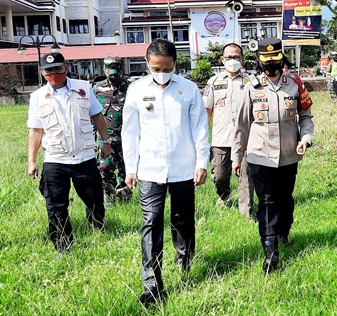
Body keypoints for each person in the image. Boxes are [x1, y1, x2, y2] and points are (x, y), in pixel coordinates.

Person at [121, 39, 209, 304]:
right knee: (151, 222)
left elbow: (200, 128)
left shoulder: (189, 89)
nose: (161, 73)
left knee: (182, 219)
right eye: (156, 68)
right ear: (147, 64)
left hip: (184, 167)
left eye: (167, 68)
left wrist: (202, 162)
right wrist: (130, 168)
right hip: (150, 168)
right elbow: (129, 132)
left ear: (175, 65)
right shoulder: (136, 90)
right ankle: (152, 283)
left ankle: (184, 260)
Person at [232, 38, 315, 274]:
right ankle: (270, 250)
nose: (270, 65)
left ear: (282, 59)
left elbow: (306, 118)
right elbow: (242, 125)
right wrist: (236, 157)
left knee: (285, 199)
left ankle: (283, 233)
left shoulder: (295, 84)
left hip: (288, 155)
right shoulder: (251, 87)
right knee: (267, 201)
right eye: (266, 61)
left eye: (275, 60)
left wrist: (305, 139)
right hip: (260, 155)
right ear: (259, 61)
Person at [27, 52, 110, 253]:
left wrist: (106, 141)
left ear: (65, 67)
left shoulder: (83, 88)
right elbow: (36, 130)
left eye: (57, 69)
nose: (54, 74)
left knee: (94, 199)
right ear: (42, 72)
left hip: (84, 156)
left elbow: (97, 116)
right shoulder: (37, 97)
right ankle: (63, 246)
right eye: (49, 71)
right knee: (55, 205)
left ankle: (98, 227)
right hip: (55, 158)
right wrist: (31, 160)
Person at [204, 43, 256, 217]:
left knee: (246, 177)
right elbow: (207, 110)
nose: (233, 60)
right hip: (221, 138)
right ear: (222, 59)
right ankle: (224, 195)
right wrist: (203, 136)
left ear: (242, 59)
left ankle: (247, 213)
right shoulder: (213, 82)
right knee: (219, 176)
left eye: (236, 57)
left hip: (246, 138)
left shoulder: (251, 81)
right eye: (229, 57)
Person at [92, 55, 132, 205]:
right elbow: (92, 114)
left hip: (126, 139)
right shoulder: (97, 89)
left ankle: (125, 201)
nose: (113, 75)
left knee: (125, 171)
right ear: (104, 70)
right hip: (105, 139)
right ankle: (110, 197)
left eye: (116, 71)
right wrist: (92, 139)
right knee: (104, 168)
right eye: (110, 71)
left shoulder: (130, 88)